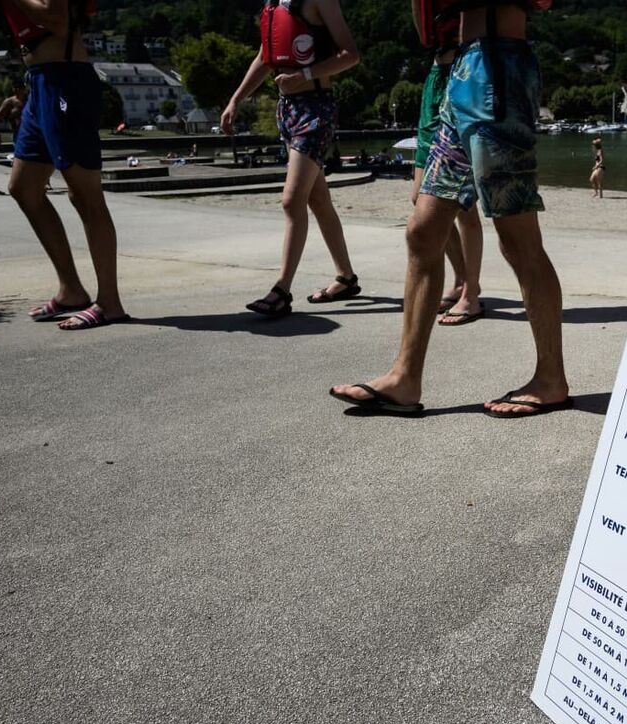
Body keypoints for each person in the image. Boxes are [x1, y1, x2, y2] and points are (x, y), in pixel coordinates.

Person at [331, 0, 570, 417]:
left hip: (498, 71)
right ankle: (404, 378)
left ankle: (551, 378)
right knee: (423, 229)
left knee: (518, 239)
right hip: (462, 72)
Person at [221, 0, 362, 317]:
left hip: (316, 109)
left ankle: (282, 290)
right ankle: (346, 278)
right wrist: (235, 100)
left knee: (291, 199)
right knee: (318, 199)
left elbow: (350, 55)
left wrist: (306, 74)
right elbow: (264, 57)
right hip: (287, 110)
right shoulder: (274, 5)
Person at [0, 0, 128, 329]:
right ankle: (71, 289)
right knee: (24, 187)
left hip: (65, 81)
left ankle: (109, 303)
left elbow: (56, 20)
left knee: (85, 195)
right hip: (40, 81)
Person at [410, 0, 485, 326]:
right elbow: (425, 34)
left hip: (465, 68)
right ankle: (461, 279)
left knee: (464, 204)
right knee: (420, 197)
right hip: (437, 71)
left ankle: (472, 292)